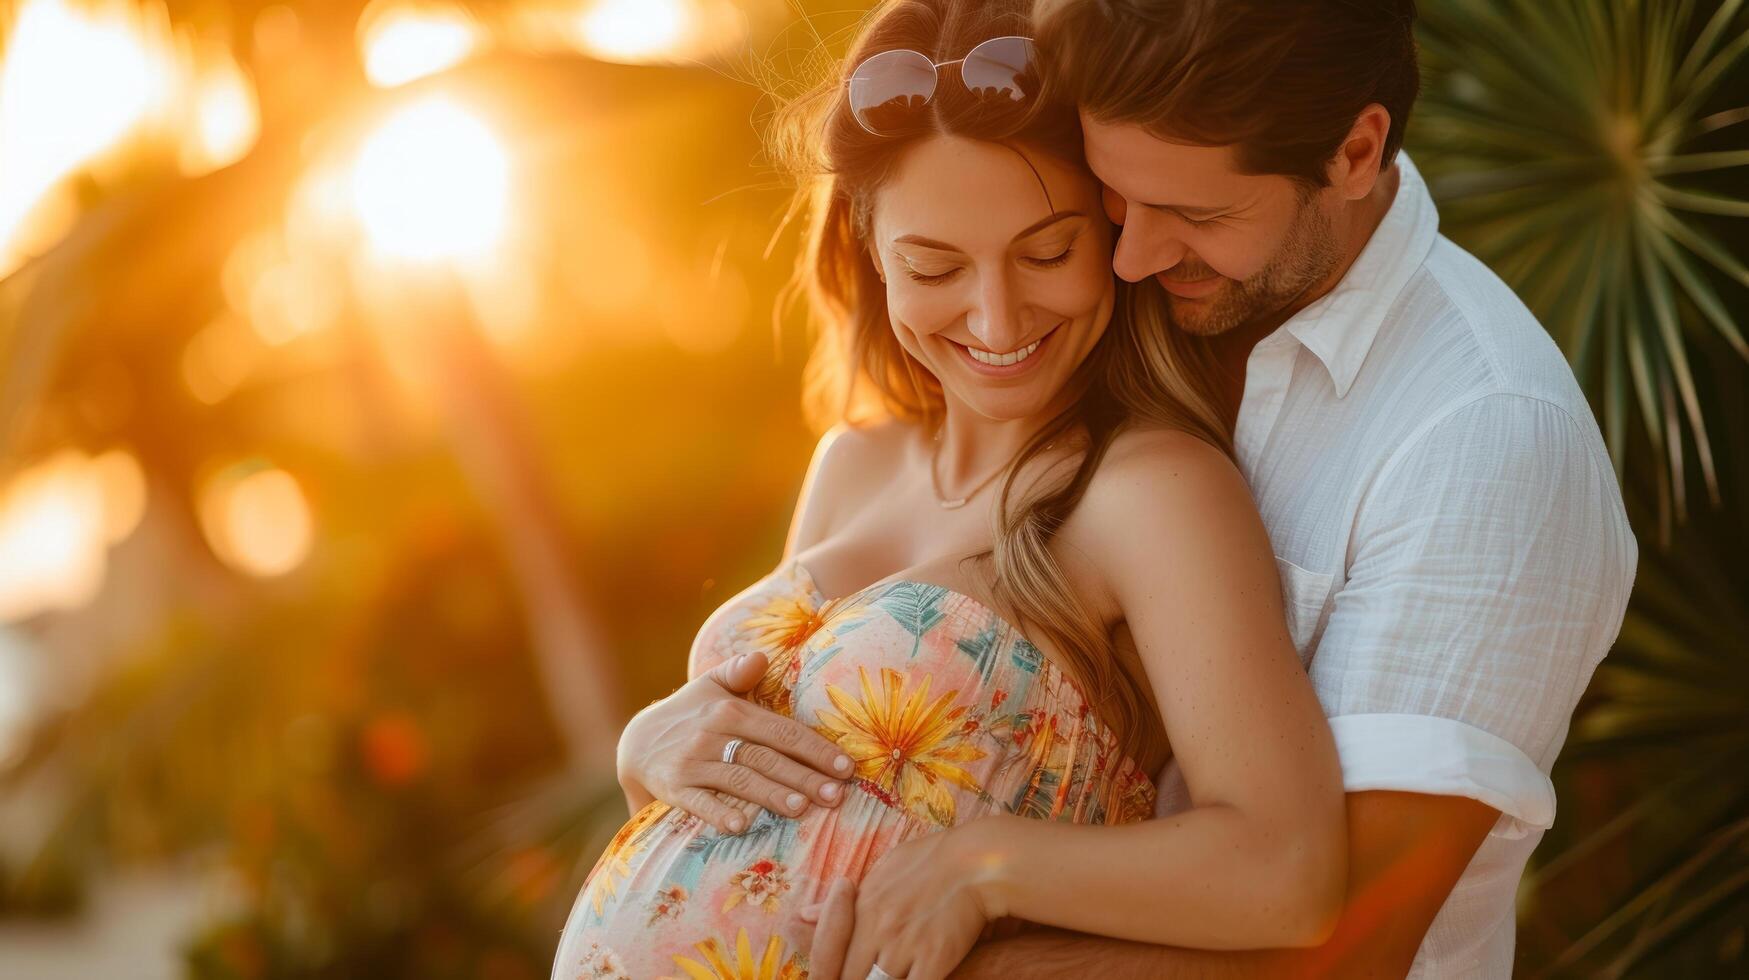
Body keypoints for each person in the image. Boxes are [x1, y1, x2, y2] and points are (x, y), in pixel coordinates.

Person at [801, 0, 1641, 976]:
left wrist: (958, 921)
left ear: (1356, 152)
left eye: (1196, 215)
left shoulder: (1484, 439)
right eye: (1112, 198)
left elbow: (1346, 945)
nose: (1132, 257)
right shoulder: (1136, 316)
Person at [550, 1, 1351, 977]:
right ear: (870, 251)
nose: (997, 314)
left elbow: (1290, 868)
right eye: (934, 266)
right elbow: (769, 843)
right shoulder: (853, 460)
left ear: (1110, 230)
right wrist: (650, 751)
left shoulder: (1147, 491)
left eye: (1047, 251)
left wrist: (984, 865)